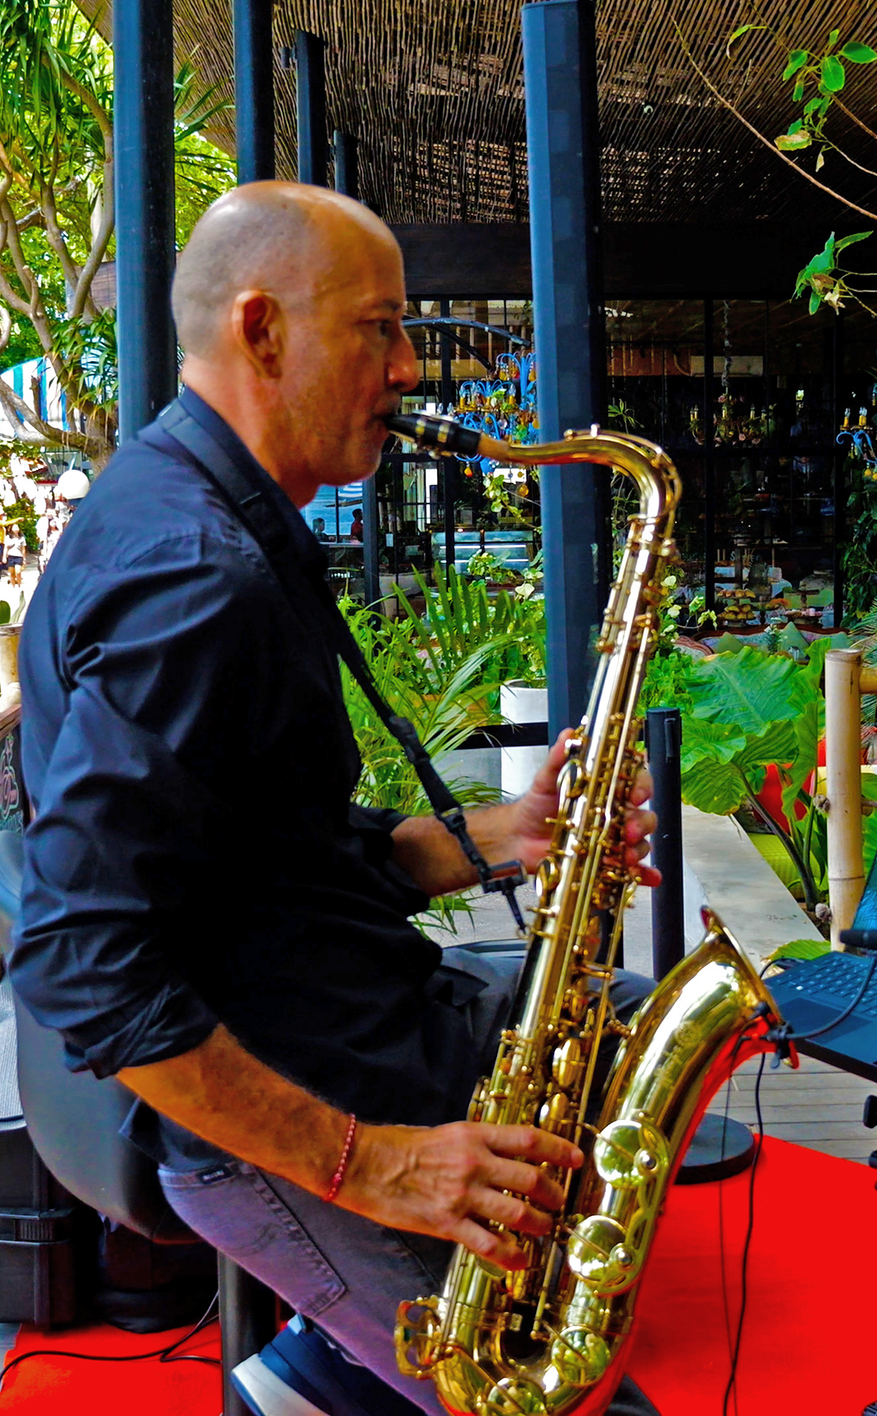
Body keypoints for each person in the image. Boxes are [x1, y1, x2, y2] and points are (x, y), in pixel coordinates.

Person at [10, 183, 662, 1415]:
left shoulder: (207, 508)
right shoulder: (196, 581)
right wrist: (378, 1169)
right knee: (560, 1399)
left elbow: (268, 852)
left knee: (627, 1022)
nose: (411, 368)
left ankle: (323, 1368)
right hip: (270, 1104)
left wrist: (496, 841)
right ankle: (357, 1342)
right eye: (383, 329)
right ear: (263, 331)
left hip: (342, 1003)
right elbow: (82, 959)